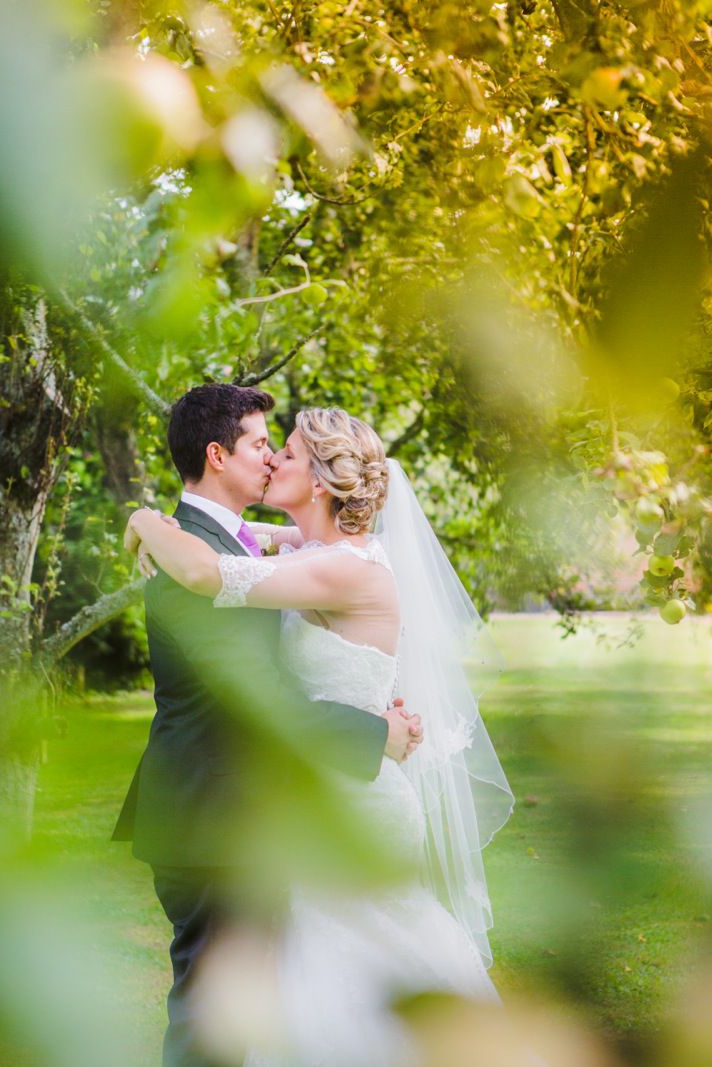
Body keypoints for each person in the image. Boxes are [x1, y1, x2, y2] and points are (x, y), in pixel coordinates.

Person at [124, 403, 512, 1066]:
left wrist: (140, 520)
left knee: (338, 985)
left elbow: (207, 571)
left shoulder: (343, 569)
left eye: (290, 453)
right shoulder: (319, 552)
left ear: (324, 482)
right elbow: (258, 543)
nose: (275, 458)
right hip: (310, 796)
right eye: (265, 445)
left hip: (350, 800)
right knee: (302, 990)